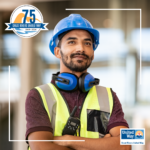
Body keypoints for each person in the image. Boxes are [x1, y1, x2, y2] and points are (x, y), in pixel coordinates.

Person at [25, 14, 131, 150]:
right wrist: (102, 145)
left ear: (93, 53)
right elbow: (40, 147)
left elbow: (127, 144)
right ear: (58, 52)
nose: (80, 48)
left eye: (87, 43)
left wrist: (69, 140)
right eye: (72, 42)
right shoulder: (38, 95)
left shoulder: (109, 96)